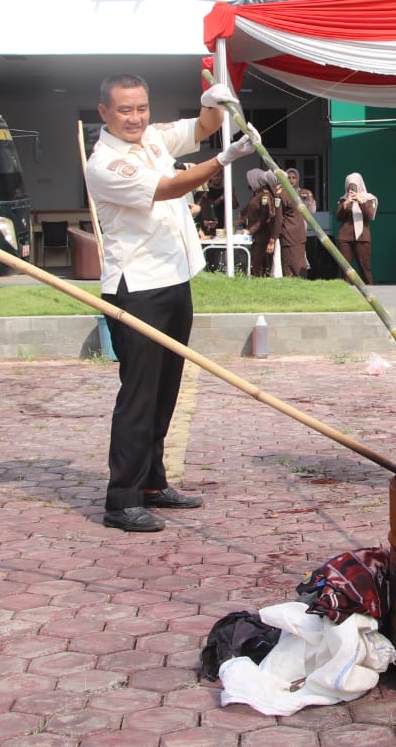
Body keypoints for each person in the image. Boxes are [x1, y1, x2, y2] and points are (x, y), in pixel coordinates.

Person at [85, 71, 257, 532]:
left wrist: (214, 98)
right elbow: (169, 187)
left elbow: (201, 126)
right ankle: (121, 498)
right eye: (124, 109)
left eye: (141, 107)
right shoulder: (105, 163)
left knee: (166, 390)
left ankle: (152, 483)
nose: (135, 117)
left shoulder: (154, 138)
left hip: (175, 280)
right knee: (139, 396)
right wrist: (225, 157)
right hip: (137, 289)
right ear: (104, 112)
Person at [336, 172, 379, 283]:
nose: (352, 189)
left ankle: (369, 295)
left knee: (365, 269)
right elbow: (338, 217)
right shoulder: (343, 200)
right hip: (345, 238)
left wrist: (361, 201)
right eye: (349, 186)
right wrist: (346, 204)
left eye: (354, 186)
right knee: (345, 269)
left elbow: (370, 216)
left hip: (362, 237)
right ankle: (347, 294)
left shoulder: (369, 199)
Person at [241, 168, 282, 277]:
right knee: (255, 261)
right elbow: (248, 209)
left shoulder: (265, 195)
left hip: (262, 234)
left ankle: (260, 281)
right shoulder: (256, 194)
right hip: (256, 235)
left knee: (259, 261)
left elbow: (265, 217)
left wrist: (250, 230)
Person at [276, 170, 310, 278]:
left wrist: (310, 197)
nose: (291, 180)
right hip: (296, 233)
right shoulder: (285, 192)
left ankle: (298, 287)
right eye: (289, 178)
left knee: (293, 264)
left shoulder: (287, 193)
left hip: (292, 233)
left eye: (294, 178)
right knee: (297, 262)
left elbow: (278, 218)